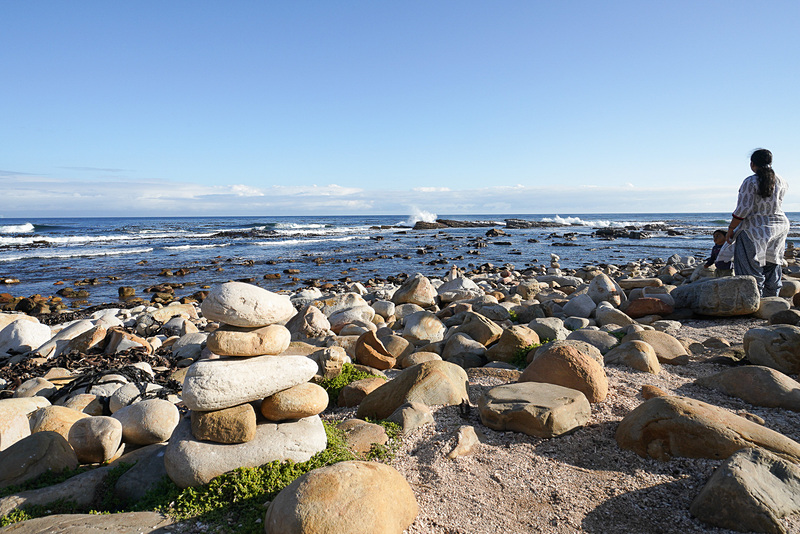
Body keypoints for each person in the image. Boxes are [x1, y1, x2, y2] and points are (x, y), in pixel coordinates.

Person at [725, 148, 789, 297]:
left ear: (752, 164)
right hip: (779, 225)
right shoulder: (782, 180)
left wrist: (731, 229)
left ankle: (752, 299)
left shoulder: (750, 181)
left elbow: (743, 209)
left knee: (749, 266)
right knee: (773, 262)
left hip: (754, 229)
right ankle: (772, 298)